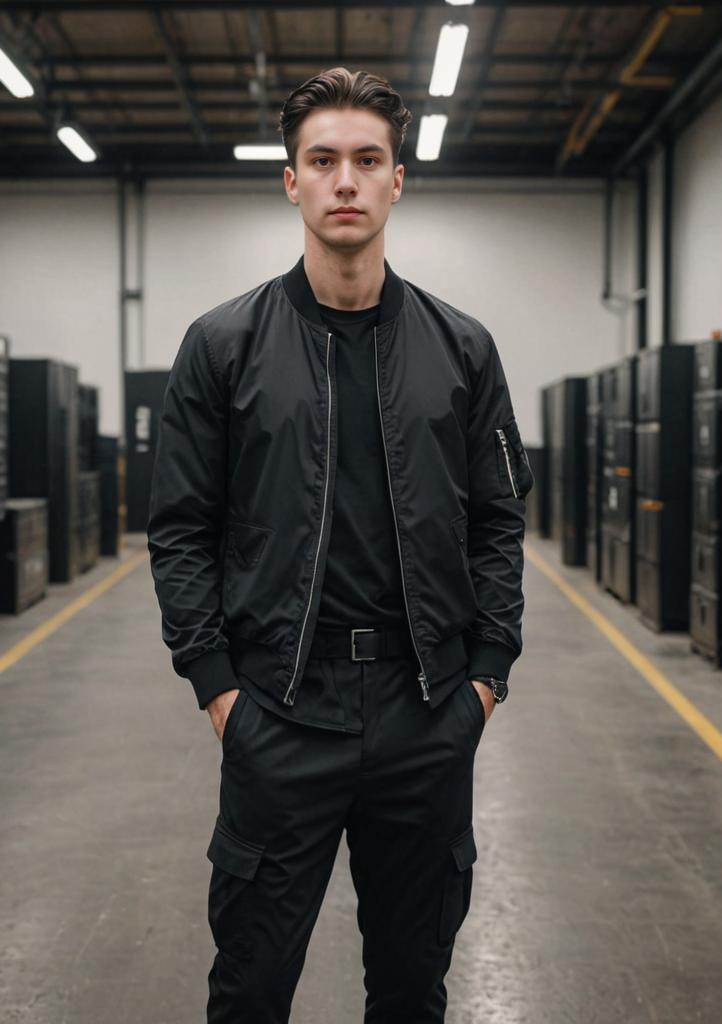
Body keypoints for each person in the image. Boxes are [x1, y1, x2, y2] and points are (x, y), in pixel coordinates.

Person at [147, 66, 533, 1024]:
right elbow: (181, 528)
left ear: (399, 180)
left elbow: (498, 520)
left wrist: (484, 678)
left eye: (368, 160)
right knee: (250, 989)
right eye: (323, 161)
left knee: (411, 990)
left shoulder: (463, 348)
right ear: (292, 181)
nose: (346, 181)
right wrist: (218, 688)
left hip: (426, 708)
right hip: (279, 711)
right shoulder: (221, 345)